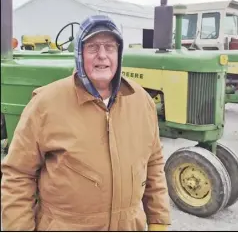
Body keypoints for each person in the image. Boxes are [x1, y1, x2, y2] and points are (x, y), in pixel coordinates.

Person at [1, 15, 171, 231]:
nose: (102, 55)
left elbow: (154, 163)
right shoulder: (46, 104)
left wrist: (158, 220)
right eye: (93, 47)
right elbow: (18, 174)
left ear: (119, 53)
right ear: (79, 53)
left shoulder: (140, 101)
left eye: (110, 47)